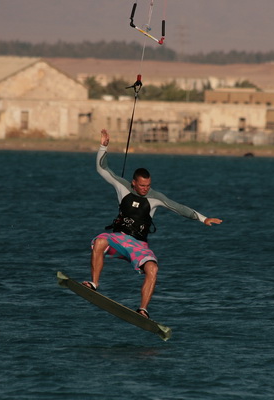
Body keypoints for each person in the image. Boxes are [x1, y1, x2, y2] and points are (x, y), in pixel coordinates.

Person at [83, 129, 223, 319]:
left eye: (148, 185)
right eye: (142, 185)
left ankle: (143, 310)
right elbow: (102, 169)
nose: (145, 188)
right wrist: (103, 147)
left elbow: (179, 208)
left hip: (139, 244)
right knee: (100, 242)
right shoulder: (122, 186)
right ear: (134, 183)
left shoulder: (155, 197)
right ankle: (94, 284)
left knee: (153, 268)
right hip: (118, 239)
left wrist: (203, 218)